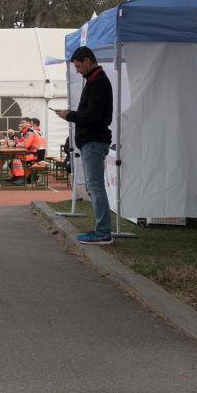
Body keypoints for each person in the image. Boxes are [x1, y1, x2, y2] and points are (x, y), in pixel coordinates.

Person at [54, 46, 114, 245]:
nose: (78, 71)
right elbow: (92, 114)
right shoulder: (95, 80)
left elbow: (92, 116)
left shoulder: (98, 82)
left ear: (87, 61)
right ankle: (101, 230)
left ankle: (103, 232)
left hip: (94, 141)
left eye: (79, 66)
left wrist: (70, 115)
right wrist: (72, 114)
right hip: (92, 141)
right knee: (93, 186)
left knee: (95, 186)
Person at [8, 117, 46, 186]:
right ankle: (19, 177)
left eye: (23, 123)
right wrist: (13, 139)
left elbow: (25, 145)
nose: (21, 124)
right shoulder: (27, 132)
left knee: (16, 158)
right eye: (21, 123)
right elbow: (20, 142)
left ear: (28, 123)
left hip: (37, 155)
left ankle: (20, 178)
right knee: (15, 157)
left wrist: (13, 145)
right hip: (34, 153)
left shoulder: (30, 131)